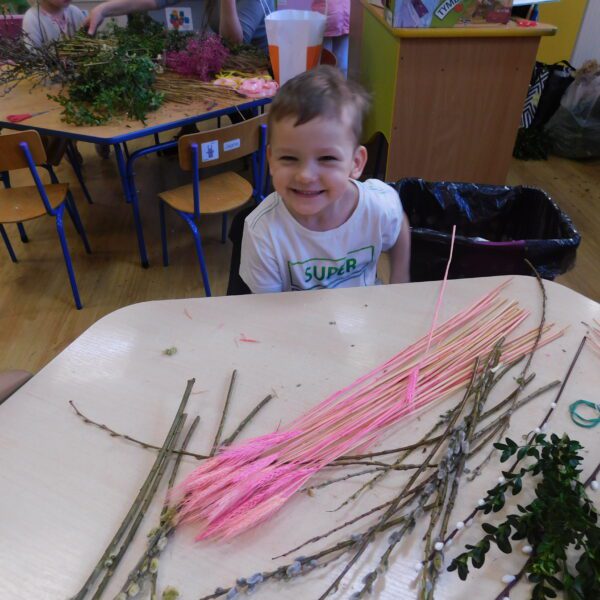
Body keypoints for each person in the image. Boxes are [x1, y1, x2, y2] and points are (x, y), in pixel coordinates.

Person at [239, 65, 411, 293]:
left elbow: (398, 224)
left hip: (364, 310)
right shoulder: (263, 232)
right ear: (271, 160)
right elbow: (270, 310)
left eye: (327, 158)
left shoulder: (378, 206)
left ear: (356, 163)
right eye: (289, 158)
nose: (305, 176)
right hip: (296, 316)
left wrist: (400, 278)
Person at [86, 0, 274, 51]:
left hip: (259, 70)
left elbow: (235, 43)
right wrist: (103, 9)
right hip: (231, 64)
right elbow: (154, 1)